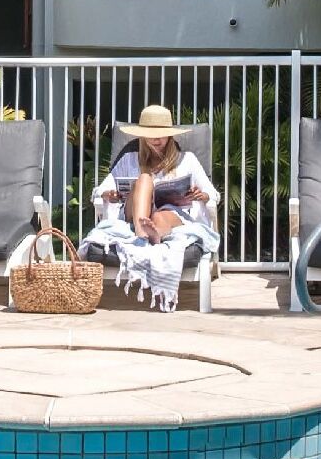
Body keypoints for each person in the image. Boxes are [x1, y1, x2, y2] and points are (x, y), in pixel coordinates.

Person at [82, 105, 219, 310]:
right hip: (133, 213)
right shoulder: (129, 160)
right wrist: (107, 194)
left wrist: (202, 194)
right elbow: (100, 190)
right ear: (143, 136)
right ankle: (142, 232)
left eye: (162, 135)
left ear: (170, 136)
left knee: (162, 217)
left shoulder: (187, 160)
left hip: (170, 212)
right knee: (144, 179)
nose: (157, 140)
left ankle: (154, 234)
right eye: (152, 135)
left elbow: (213, 193)